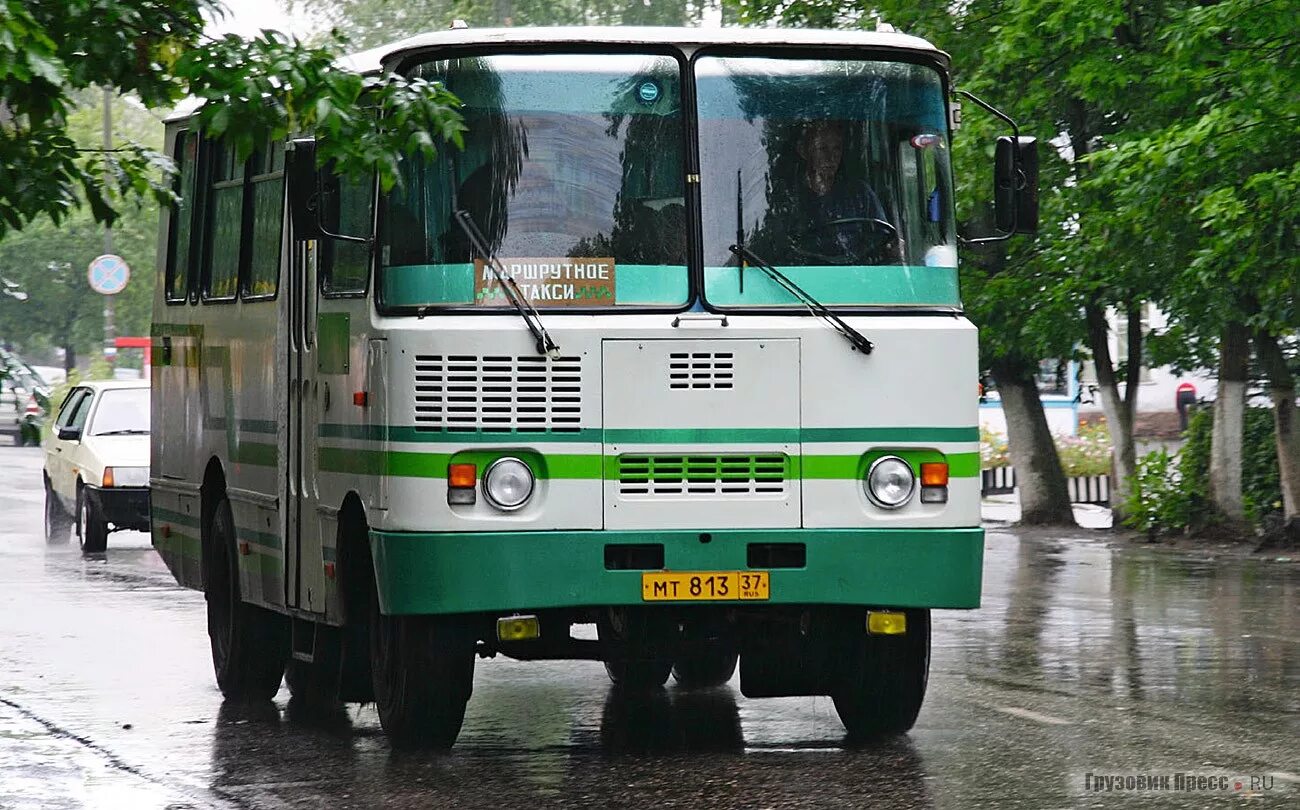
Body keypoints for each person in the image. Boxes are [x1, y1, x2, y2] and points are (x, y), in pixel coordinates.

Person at [760, 120, 897, 265]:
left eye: (836, 149)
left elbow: (883, 242)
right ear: (803, 151)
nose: (831, 157)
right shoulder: (785, 198)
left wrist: (892, 247)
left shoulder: (861, 195)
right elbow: (775, 248)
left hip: (856, 276)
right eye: (822, 148)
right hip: (798, 278)